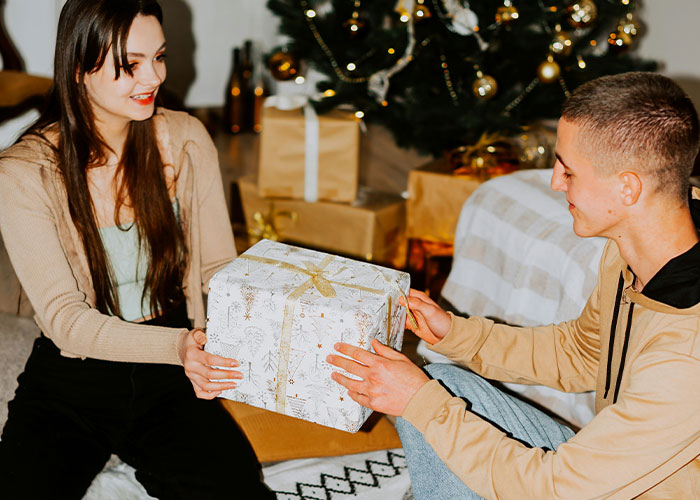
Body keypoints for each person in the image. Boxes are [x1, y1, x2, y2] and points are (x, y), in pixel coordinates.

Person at [328, 71, 700, 499]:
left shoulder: (687, 357)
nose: (555, 182)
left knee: (427, 404)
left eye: (569, 170)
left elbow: (549, 489)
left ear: (628, 188)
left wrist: (419, 403)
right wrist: (457, 333)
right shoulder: (633, 250)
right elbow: (580, 352)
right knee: (445, 386)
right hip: (603, 477)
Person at [0, 1, 275, 498]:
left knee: (239, 491)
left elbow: (219, 268)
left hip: (169, 370)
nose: (153, 76)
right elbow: (66, 320)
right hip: (73, 377)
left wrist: (307, 302)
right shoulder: (24, 173)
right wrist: (179, 349)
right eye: (130, 64)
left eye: (159, 56)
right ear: (80, 68)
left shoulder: (186, 140)